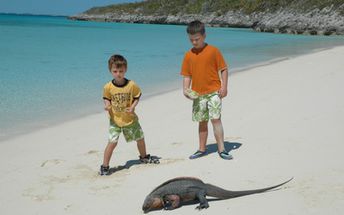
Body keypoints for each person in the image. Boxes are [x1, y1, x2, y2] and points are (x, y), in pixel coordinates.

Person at [180, 20, 233, 160]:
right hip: (198, 95)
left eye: (197, 39)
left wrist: (224, 87)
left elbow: (224, 69)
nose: (194, 42)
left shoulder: (213, 51)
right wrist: (185, 89)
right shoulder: (188, 55)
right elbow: (187, 75)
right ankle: (201, 149)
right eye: (191, 40)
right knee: (202, 122)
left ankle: (222, 149)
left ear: (204, 36)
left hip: (214, 92)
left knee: (216, 119)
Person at [99, 54, 158, 176]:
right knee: (112, 143)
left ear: (125, 70)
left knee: (140, 138)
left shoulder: (131, 85)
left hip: (130, 119)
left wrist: (132, 107)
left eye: (121, 71)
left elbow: (137, 96)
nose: (118, 74)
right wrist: (107, 105)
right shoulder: (108, 87)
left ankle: (144, 157)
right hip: (115, 120)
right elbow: (106, 98)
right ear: (110, 71)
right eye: (115, 71)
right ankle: (105, 166)